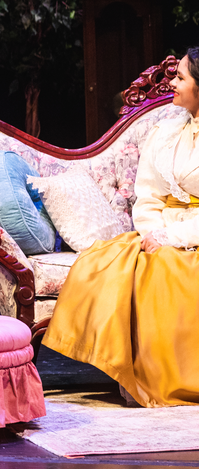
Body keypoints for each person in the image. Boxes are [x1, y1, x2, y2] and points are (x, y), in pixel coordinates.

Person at [42, 47, 198, 407]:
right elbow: (148, 194)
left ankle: (156, 377)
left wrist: (174, 237)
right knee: (105, 259)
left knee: (166, 269)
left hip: (192, 234)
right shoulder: (166, 132)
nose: (172, 84)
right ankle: (124, 369)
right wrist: (153, 232)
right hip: (160, 229)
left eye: (180, 77)